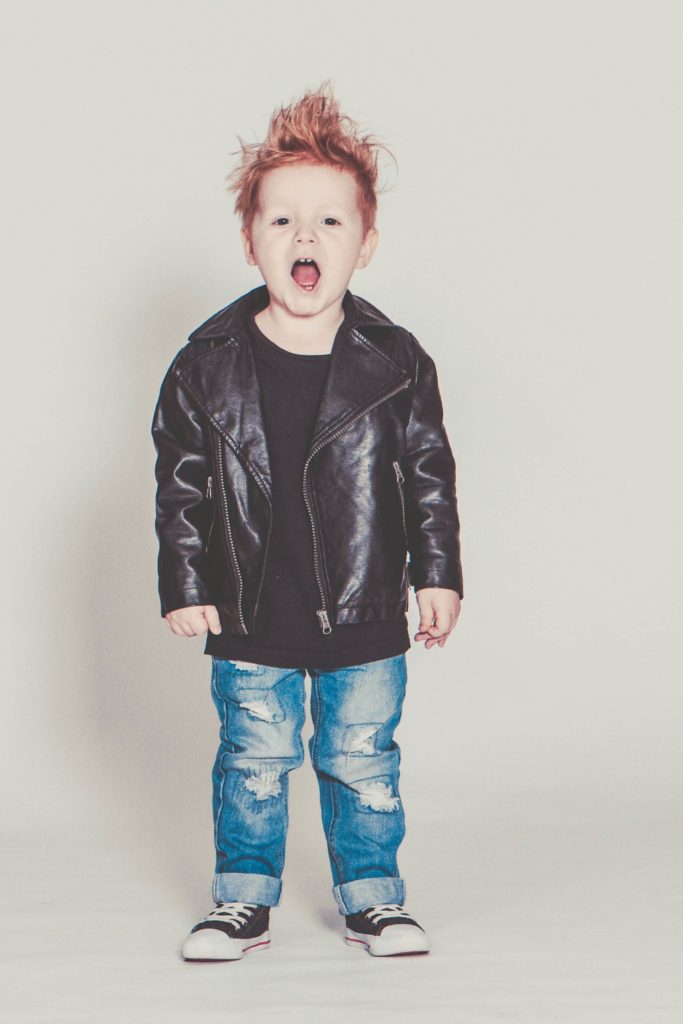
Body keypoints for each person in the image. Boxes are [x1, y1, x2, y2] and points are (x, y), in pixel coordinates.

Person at [151, 81, 464, 961]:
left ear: (364, 244)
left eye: (330, 222)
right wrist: (184, 581)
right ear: (249, 237)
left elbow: (428, 473)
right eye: (281, 220)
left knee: (362, 758)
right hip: (251, 607)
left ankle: (373, 898)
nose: (304, 238)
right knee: (253, 759)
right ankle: (241, 899)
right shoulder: (203, 365)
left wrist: (435, 573)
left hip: (364, 607)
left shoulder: (395, 361)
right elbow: (179, 485)